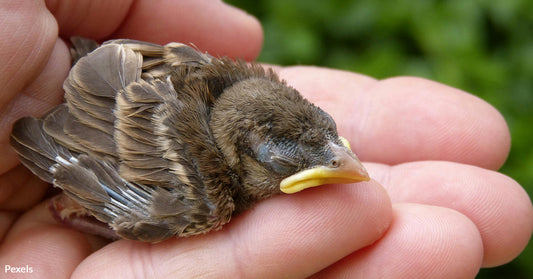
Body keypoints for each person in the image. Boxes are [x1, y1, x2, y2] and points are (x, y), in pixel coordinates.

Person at [0, 1, 531, 278]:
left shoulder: (251, 91)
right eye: (279, 162)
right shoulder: (205, 193)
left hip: (110, 77)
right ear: (246, 156)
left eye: (332, 141)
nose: (340, 158)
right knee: (165, 214)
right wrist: (84, 194)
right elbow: (113, 186)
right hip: (88, 110)